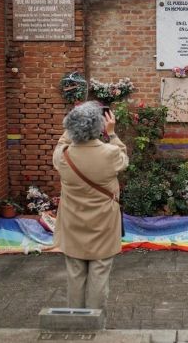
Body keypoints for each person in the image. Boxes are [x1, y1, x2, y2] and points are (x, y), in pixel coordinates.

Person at [52, 101, 128, 311]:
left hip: (72, 223)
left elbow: (62, 142)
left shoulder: (63, 155)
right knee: (99, 273)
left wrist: (74, 124)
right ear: (99, 126)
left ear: (71, 126)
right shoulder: (110, 153)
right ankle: (94, 320)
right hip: (103, 224)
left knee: (75, 274)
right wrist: (111, 133)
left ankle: (75, 319)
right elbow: (124, 158)